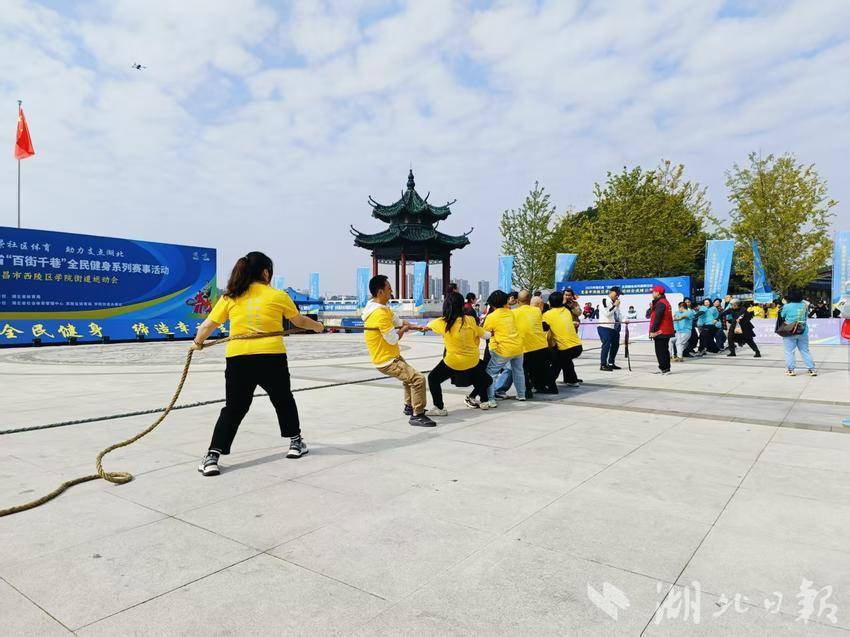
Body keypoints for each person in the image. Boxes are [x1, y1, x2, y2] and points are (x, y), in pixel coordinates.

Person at [193, 252, 324, 476]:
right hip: (271, 357)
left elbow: (207, 326)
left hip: (238, 359)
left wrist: (198, 343)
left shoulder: (230, 297)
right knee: (283, 400)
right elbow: (300, 321)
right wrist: (318, 327)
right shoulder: (278, 295)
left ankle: (212, 456)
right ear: (265, 272)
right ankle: (295, 443)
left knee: (234, 408)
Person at [363, 274, 436, 427]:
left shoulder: (381, 308)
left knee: (409, 379)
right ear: (380, 292)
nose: (391, 292)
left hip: (392, 356)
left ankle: (410, 406)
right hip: (387, 360)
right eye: (389, 289)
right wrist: (404, 329)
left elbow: (398, 321)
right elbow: (393, 339)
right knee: (418, 379)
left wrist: (415, 326)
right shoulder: (379, 314)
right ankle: (417, 415)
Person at [424, 292, 492, 415]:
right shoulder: (470, 320)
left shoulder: (443, 322)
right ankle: (484, 401)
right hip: (472, 361)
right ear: (462, 305)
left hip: (453, 362)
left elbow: (428, 325)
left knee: (433, 378)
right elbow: (485, 335)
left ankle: (439, 408)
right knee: (483, 377)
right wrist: (493, 333)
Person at [508, 290, 558, 396]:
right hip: (541, 347)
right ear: (530, 300)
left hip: (524, 348)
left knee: (522, 370)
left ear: (517, 301)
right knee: (543, 369)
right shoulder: (537, 311)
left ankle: (527, 391)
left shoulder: (513, 313)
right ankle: (551, 388)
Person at [482, 290, 526, 408]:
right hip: (518, 347)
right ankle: (521, 394)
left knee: (491, 373)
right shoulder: (511, 313)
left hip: (503, 349)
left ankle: (491, 399)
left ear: (492, 304)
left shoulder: (491, 317)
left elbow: (485, 334)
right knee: (518, 371)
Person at [543, 291, 583, 386]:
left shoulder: (547, 315)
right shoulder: (566, 311)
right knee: (565, 360)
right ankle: (571, 380)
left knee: (557, 363)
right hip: (577, 346)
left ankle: (548, 384)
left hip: (564, 348)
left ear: (550, 302)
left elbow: (543, 329)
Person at [777, 287, 816, 377]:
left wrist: (786, 303)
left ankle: (791, 370)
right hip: (803, 331)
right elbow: (806, 311)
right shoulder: (804, 305)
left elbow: (782, 315)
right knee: (805, 350)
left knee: (789, 351)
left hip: (789, 331)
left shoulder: (787, 306)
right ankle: (811, 369)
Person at [648, 285, 675, 374]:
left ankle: (664, 368)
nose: (652, 294)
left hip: (661, 331)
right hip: (665, 330)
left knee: (660, 351)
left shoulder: (660, 303)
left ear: (658, 293)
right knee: (664, 350)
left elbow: (657, 318)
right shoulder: (664, 302)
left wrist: (653, 331)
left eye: (653, 292)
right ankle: (665, 368)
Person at [598, 286, 622, 371]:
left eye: (619, 294)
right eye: (617, 294)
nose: (618, 296)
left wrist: (624, 320)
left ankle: (611, 363)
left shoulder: (615, 303)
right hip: (605, 327)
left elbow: (618, 315)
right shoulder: (604, 300)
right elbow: (607, 313)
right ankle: (603, 364)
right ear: (611, 292)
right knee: (606, 345)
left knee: (615, 345)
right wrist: (615, 306)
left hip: (614, 328)